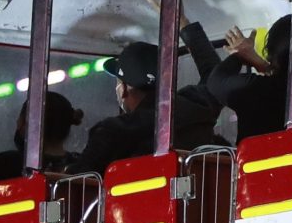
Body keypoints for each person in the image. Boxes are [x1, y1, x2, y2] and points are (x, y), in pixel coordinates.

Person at [70, 40, 220, 174]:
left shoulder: (111, 132)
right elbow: (215, 77)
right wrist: (187, 28)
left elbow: (76, 183)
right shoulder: (199, 106)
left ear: (123, 89)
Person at [0, 92, 84, 182]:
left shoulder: (9, 163)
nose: (17, 122)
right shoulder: (81, 167)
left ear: (30, 123)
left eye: (20, 118)